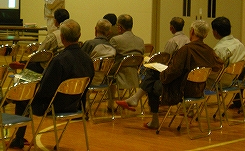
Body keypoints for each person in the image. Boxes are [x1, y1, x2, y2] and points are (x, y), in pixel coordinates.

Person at [120, 20, 223, 129]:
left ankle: (151, 116)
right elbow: (219, 66)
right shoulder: (209, 51)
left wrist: (163, 75)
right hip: (198, 90)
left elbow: (174, 71)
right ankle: (136, 99)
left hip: (180, 90)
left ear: (192, 31)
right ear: (206, 34)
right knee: (153, 78)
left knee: (152, 84)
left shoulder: (186, 50)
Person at [10, 19, 95, 149]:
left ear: (62, 37)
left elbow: (45, 90)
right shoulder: (88, 59)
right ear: (79, 35)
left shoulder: (59, 60)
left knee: (22, 98)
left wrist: (31, 92)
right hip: (75, 105)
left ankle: (18, 139)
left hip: (53, 106)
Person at [117, 17, 189, 111]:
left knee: (151, 74)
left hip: (174, 75)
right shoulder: (188, 40)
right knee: (152, 77)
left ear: (171, 28)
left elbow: (165, 59)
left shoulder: (172, 42)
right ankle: (136, 98)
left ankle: (136, 99)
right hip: (184, 75)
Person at [108, 14, 145, 110]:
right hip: (134, 75)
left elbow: (109, 57)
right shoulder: (140, 41)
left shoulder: (115, 40)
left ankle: (110, 104)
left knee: (107, 72)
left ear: (119, 27)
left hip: (118, 74)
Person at [209, 16, 245, 87]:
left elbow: (214, 67)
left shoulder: (220, 49)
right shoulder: (240, 44)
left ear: (215, 32)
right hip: (236, 78)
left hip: (223, 81)